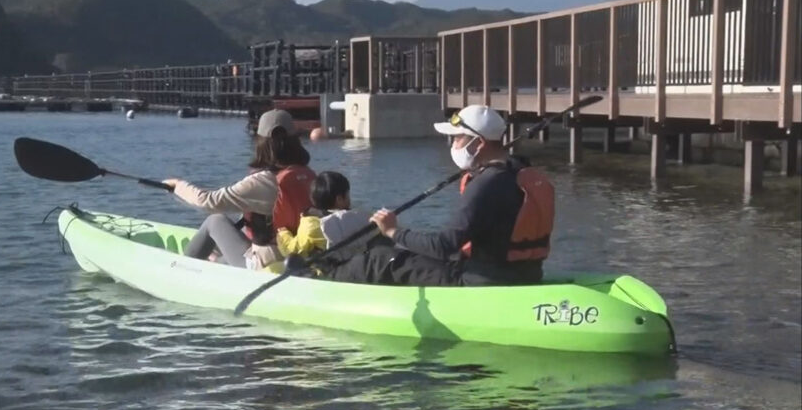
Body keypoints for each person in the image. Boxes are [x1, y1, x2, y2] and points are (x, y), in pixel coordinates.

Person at [326, 104, 554, 286]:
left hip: (482, 281)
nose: (452, 144)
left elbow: (444, 246)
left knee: (381, 258)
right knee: (412, 252)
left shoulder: (486, 184)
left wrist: (394, 231)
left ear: (479, 143)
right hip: (527, 274)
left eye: (457, 138)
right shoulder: (519, 172)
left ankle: (323, 281)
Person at [162, 109, 316, 271]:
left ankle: (181, 270)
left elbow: (207, 201)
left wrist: (177, 185)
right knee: (223, 254)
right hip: (298, 257)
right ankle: (214, 263)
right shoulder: (308, 175)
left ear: (262, 143)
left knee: (215, 221)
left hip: (266, 262)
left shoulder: (263, 181)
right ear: (295, 141)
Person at [275, 171, 369, 263]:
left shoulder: (312, 224)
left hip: (328, 271)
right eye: (348, 194)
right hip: (356, 264)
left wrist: (283, 234)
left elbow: (294, 250)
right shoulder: (360, 217)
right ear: (339, 199)